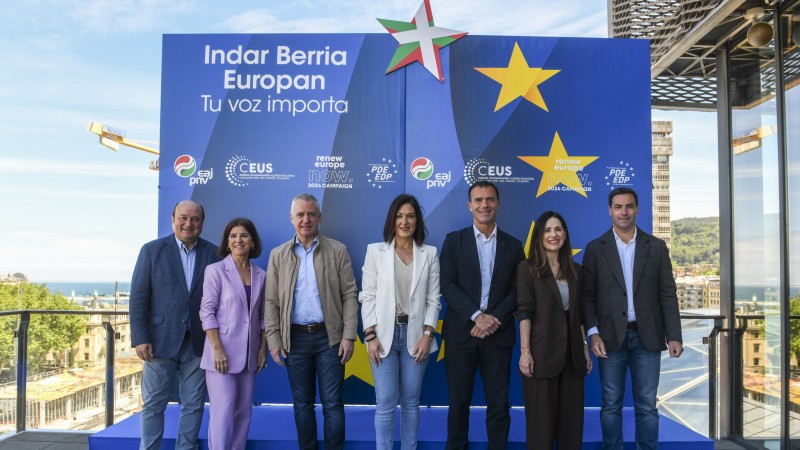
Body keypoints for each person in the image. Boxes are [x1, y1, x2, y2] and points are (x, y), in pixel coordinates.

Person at [582, 187, 683, 450]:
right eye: (618, 207)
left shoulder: (656, 247)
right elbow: (587, 296)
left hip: (647, 337)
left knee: (647, 406)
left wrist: (674, 336)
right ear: (610, 210)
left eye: (629, 206)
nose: (624, 212)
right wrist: (592, 333)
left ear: (637, 209)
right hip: (609, 338)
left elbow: (667, 294)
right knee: (610, 405)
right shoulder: (595, 249)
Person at [264, 193, 358, 450]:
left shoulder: (338, 250)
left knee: (333, 404)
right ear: (291, 218)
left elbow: (350, 295)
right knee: (302, 405)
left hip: (330, 338)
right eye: (300, 214)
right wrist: (274, 340)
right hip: (294, 340)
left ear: (319, 217)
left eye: (311, 214)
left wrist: (348, 335)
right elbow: (271, 301)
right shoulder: (278, 255)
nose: (306, 219)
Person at [440, 180, 525, 450]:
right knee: (458, 402)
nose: (484, 205)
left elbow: (518, 290)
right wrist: (477, 316)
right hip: (461, 334)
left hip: (498, 335)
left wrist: (492, 320)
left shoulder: (514, 245)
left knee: (499, 403)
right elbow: (447, 285)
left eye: (489, 199)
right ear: (469, 205)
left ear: (498, 204)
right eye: (478, 200)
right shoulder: (453, 241)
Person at [130, 200, 220, 450]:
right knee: (153, 405)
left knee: (193, 404)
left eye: (195, 219)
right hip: (158, 342)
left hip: (199, 343)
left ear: (202, 222)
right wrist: (140, 337)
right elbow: (138, 297)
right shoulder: (151, 250)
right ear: (173, 220)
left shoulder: (214, 253)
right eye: (183, 218)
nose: (188, 223)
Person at [359, 194, 442, 449]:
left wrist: (428, 335)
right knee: (385, 402)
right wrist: (370, 336)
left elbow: (433, 299)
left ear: (417, 221)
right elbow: (367, 296)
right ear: (392, 220)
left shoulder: (429, 253)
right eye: (399, 216)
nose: (404, 221)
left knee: (411, 402)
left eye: (410, 216)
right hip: (382, 336)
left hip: (416, 337)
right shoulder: (375, 251)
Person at [516, 211, 592, 450]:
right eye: (547, 230)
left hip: (572, 357)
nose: (553, 234)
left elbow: (579, 315)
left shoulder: (576, 271)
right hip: (541, 356)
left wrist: (584, 349)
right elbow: (525, 312)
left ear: (565, 234)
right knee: (541, 428)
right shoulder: (527, 269)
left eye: (558, 229)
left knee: (571, 428)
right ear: (539, 235)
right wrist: (525, 352)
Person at [200, 218, 268, 450]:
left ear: (252, 242)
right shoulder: (215, 271)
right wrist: (217, 349)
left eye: (244, 235)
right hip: (222, 353)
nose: (238, 240)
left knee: (243, 412)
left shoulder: (261, 275)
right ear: (227, 243)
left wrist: (262, 349)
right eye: (233, 236)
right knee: (223, 411)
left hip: (250, 355)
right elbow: (207, 311)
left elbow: (263, 317)